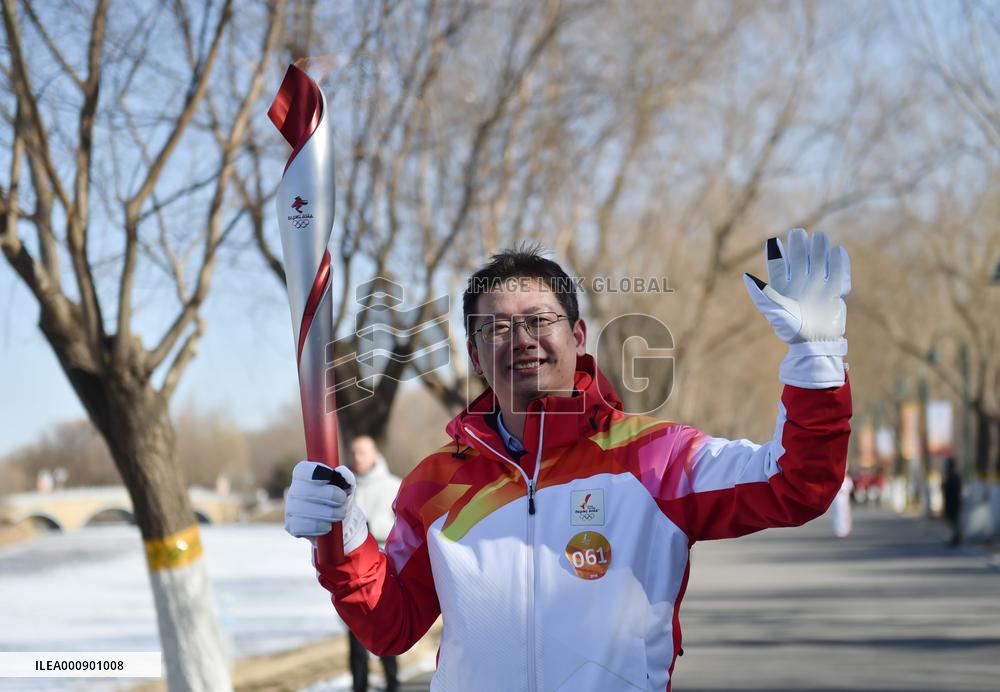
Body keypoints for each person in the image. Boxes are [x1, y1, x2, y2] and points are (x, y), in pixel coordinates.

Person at [285, 229, 853, 691]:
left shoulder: (654, 457)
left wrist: (816, 364)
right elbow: (389, 626)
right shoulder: (436, 484)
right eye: (497, 327)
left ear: (578, 335)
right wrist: (343, 539)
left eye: (539, 319)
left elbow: (795, 483)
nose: (521, 337)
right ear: (477, 356)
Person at [344, 436, 402, 692]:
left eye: (363, 452)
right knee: (355, 638)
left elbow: (405, 528)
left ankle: (392, 684)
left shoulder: (394, 486)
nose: (358, 458)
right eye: (354, 452)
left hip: (385, 569)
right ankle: (359, 686)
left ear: (375, 453)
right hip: (352, 573)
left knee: (385, 633)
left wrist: (372, 527)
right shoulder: (346, 489)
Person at [942, 456, 962, 546]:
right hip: (950, 502)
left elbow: (953, 489)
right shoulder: (950, 476)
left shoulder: (953, 477)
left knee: (954, 521)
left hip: (953, 502)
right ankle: (955, 537)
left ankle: (956, 537)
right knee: (951, 521)